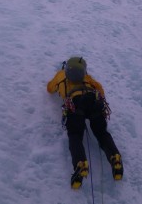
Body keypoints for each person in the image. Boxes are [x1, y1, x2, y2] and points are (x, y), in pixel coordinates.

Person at [47, 56, 123, 189]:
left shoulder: (61, 75)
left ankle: (80, 163)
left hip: (75, 105)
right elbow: (101, 90)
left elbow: (49, 88)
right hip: (92, 101)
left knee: (75, 135)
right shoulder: (88, 78)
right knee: (101, 133)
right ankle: (114, 156)